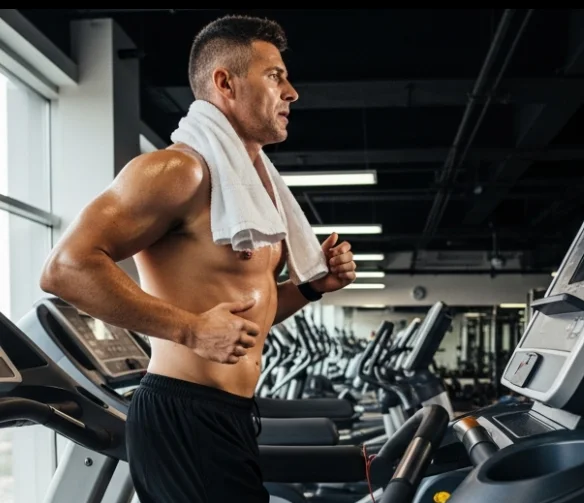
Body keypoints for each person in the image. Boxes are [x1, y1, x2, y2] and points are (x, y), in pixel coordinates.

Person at [38, 15, 354, 503]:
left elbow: (244, 320)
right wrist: (189, 329)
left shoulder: (252, 193)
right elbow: (65, 268)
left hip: (231, 414)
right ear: (225, 82)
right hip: (183, 415)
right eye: (275, 76)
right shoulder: (177, 170)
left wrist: (311, 287)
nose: (291, 92)